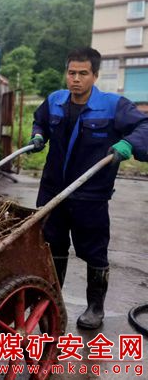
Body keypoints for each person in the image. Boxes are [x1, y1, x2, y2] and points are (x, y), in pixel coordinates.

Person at [29, 47, 148, 330]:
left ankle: (95, 307)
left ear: (95, 75)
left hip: (90, 194)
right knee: (50, 245)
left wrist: (129, 144)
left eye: (83, 73)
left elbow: (144, 126)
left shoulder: (113, 106)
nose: (76, 79)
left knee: (93, 250)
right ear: (66, 73)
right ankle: (51, 301)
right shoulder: (55, 101)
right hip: (53, 192)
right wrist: (38, 134)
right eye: (72, 73)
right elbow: (40, 120)